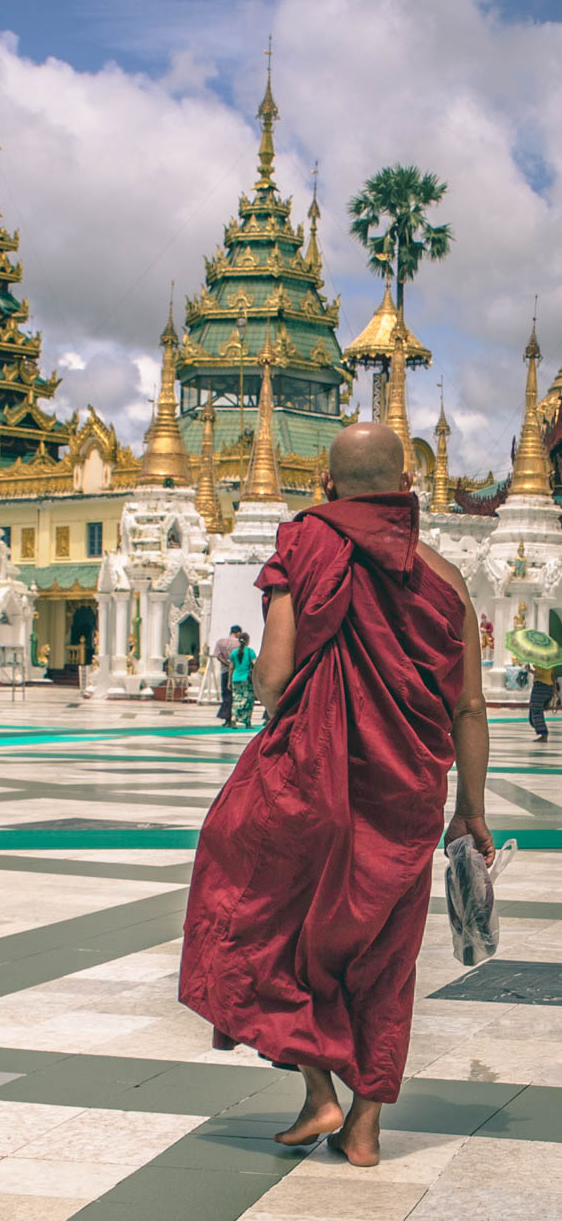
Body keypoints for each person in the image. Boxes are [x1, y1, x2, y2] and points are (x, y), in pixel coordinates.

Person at [179, 422, 493, 1169]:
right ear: (407, 489)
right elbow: (470, 709)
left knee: (267, 919)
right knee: (382, 955)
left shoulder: (304, 543)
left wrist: (267, 691)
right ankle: (363, 1125)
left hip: (304, 784)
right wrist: (470, 811)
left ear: (326, 487)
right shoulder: (446, 579)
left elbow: (275, 674)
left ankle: (317, 1087)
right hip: (406, 794)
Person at [213, 624, 242, 724]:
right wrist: (232, 665)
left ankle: (227, 718)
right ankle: (231, 718)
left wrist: (226, 663)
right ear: (237, 633)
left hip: (224, 671)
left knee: (225, 694)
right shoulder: (239, 644)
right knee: (234, 695)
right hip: (235, 672)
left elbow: (217, 656)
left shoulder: (220, 642)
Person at [228, 631, 256, 729]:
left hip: (235, 678)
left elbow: (231, 667)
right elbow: (255, 664)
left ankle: (233, 718)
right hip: (246, 680)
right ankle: (247, 721)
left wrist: (229, 681)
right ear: (248, 641)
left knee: (236, 699)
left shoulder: (234, 652)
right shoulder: (250, 651)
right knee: (248, 700)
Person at [528, 662, 555, 743]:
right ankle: (541, 730)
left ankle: (543, 733)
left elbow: (540, 675)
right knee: (536, 710)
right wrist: (554, 688)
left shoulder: (540, 662)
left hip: (540, 686)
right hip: (548, 686)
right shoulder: (550, 661)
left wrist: (529, 670)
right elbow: (553, 674)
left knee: (536, 710)